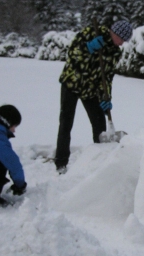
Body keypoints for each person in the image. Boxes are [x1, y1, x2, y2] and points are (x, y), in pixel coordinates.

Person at [55, 20, 133, 174]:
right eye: (121, 39)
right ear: (114, 33)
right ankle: (61, 163)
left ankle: (101, 158)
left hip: (90, 90)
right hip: (72, 83)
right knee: (66, 123)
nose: (122, 43)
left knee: (99, 124)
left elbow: (108, 77)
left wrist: (106, 98)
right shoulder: (91, 33)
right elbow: (71, 54)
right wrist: (87, 48)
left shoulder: (115, 52)